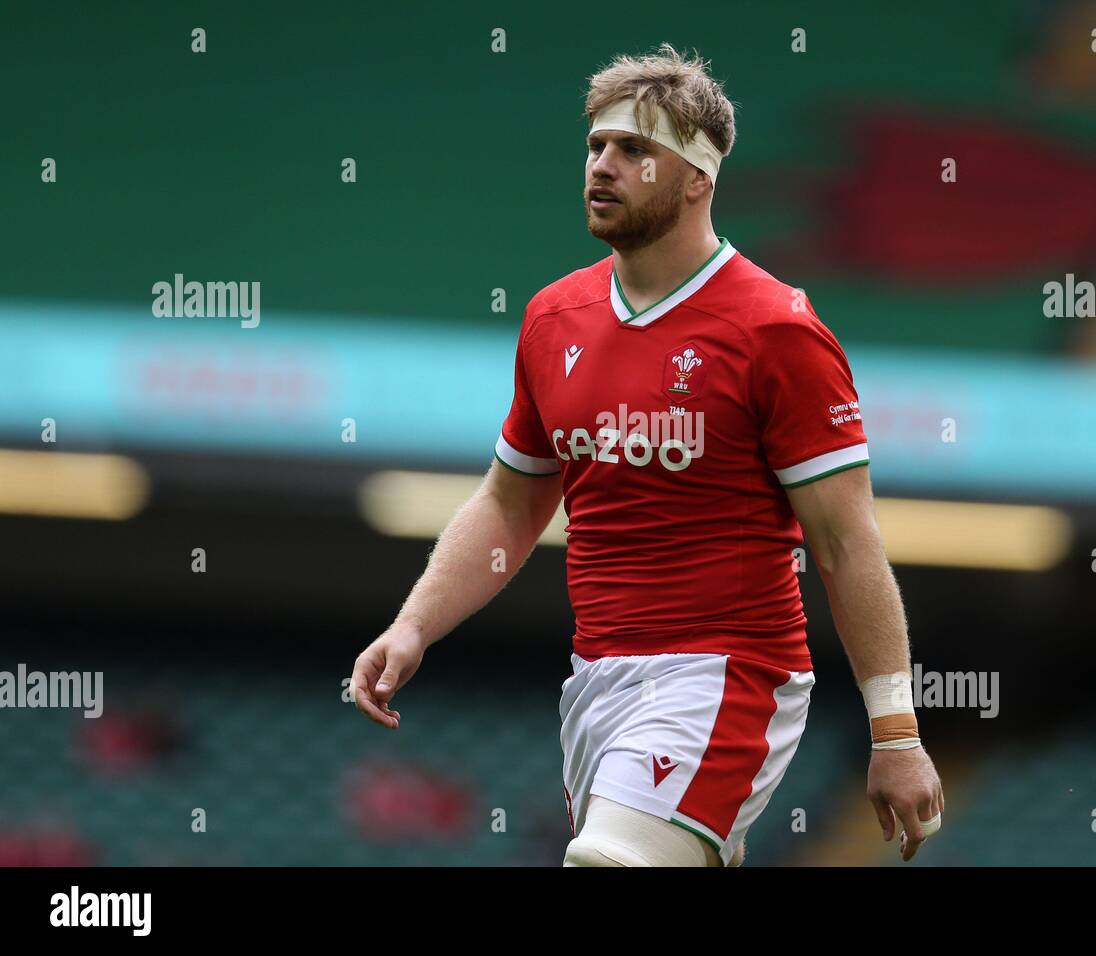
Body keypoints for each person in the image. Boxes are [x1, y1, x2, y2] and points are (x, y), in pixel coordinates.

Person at [351, 43, 943, 867]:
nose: (603, 165)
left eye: (634, 150)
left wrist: (897, 731)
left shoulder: (776, 329)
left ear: (697, 176)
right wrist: (414, 626)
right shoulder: (555, 317)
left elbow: (846, 541)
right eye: (595, 147)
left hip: (728, 676)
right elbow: (510, 503)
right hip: (595, 683)